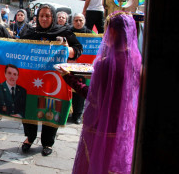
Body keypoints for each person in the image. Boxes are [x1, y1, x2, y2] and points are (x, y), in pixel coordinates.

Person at [59, 11, 141, 174]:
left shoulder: (106, 63)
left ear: (113, 32)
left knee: (97, 163)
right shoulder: (136, 61)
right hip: (124, 125)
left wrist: (69, 78)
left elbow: (92, 96)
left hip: (101, 125)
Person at [20, 4, 83, 156]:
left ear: (53, 17)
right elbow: (15, 47)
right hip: (32, 79)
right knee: (29, 106)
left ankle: (48, 142)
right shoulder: (30, 32)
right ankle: (30, 136)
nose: (44, 18)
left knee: (50, 107)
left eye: (48, 16)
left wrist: (67, 50)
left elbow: (79, 49)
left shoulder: (64, 32)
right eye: (41, 15)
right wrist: (0, 47)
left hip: (53, 80)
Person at [69, 13, 92, 124]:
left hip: (83, 67)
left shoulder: (91, 34)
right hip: (69, 65)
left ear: (84, 21)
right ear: (73, 21)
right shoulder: (67, 32)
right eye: (76, 20)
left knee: (80, 90)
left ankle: (77, 115)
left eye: (80, 20)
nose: (78, 22)